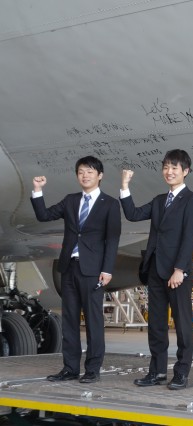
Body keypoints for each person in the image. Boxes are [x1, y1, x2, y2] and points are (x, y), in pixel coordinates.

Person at [31, 156, 121, 384]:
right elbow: (44, 215)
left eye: (90, 171)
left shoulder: (110, 204)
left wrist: (107, 269)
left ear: (99, 175)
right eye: (81, 172)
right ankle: (70, 368)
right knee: (69, 320)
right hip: (69, 267)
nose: (85, 175)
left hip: (93, 270)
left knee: (93, 322)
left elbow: (112, 239)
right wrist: (37, 190)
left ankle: (92, 369)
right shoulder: (71, 200)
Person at [121, 149, 193, 390]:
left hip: (178, 272)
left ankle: (181, 372)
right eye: (166, 167)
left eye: (174, 168)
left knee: (183, 324)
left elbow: (189, 237)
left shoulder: (192, 199)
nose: (169, 171)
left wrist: (179, 269)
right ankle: (156, 372)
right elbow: (133, 214)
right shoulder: (159, 200)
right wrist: (125, 186)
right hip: (156, 269)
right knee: (156, 324)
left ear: (185, 172)